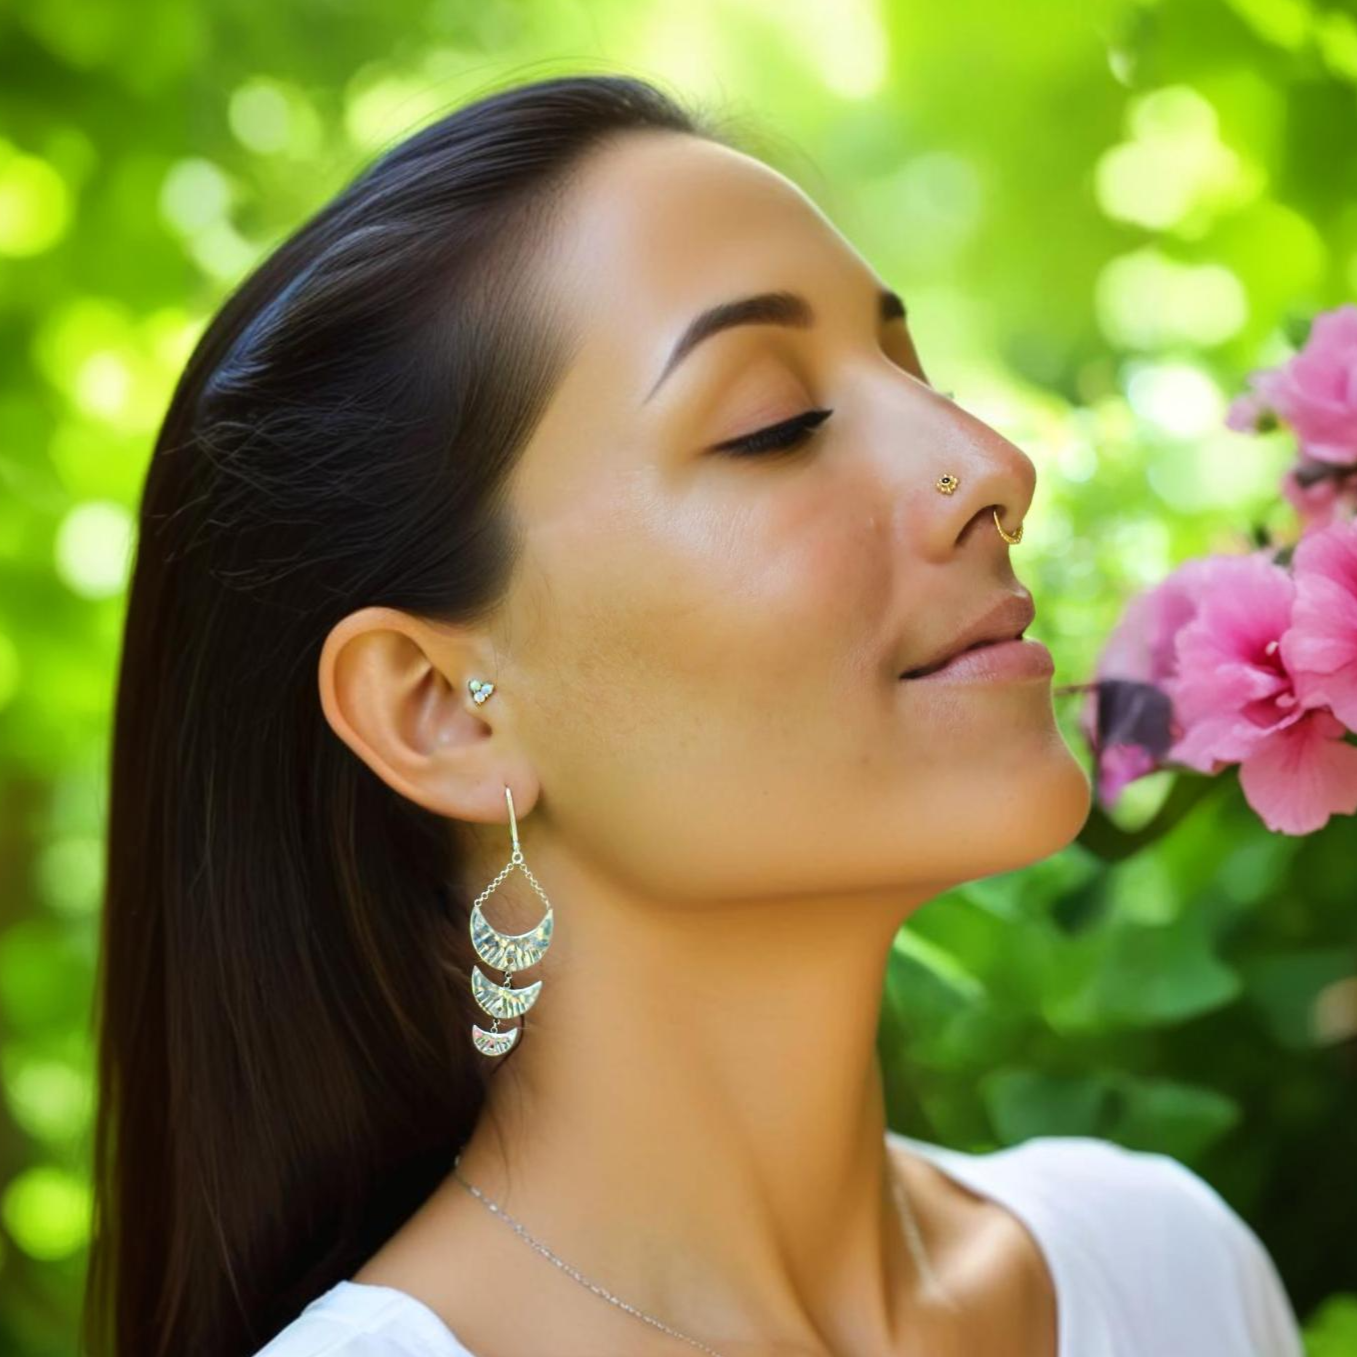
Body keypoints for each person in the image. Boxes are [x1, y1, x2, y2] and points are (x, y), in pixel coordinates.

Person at [84, 71, 1306, 1357]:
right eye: (776, 425)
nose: (994, 467)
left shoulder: (1167, 1268)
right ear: (444, 708)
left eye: (912, 368)